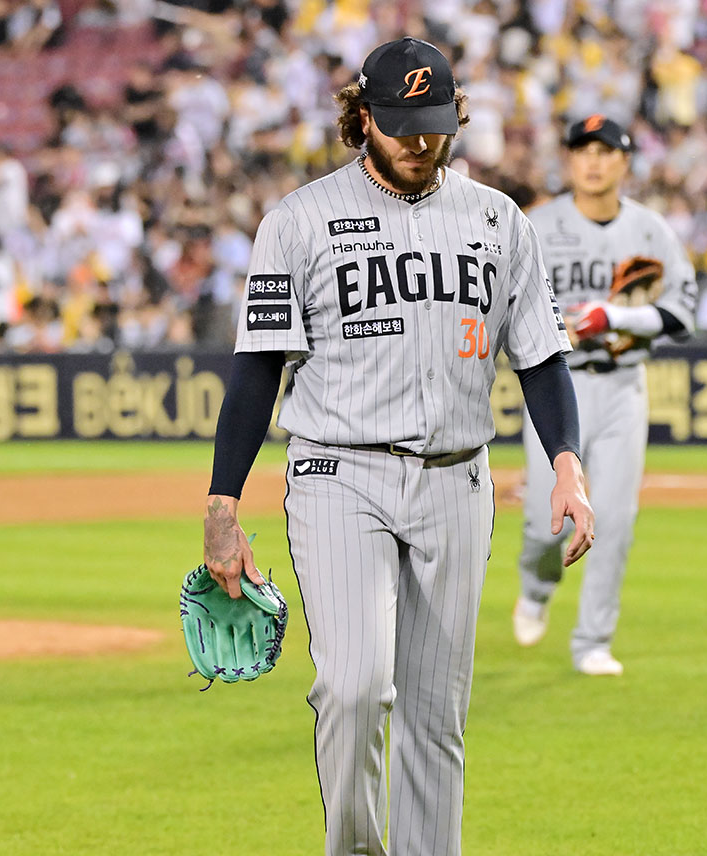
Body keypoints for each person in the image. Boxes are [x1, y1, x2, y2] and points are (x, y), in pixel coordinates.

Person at [202, 37, 595, 856]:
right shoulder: (299, 220)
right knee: (351, 690)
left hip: (459, 480)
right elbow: (256, 371)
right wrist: (222, 504)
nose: (418, 141)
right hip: (339, 474)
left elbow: (543, 357)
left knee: (435, 713)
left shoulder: (496, 219)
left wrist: (565, 463)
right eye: (399, 123)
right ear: (362, 118)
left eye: (434, 123)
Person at [512, 114, 696, 676]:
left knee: (615, 516)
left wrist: (613, 316)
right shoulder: (535, 225)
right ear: (568, 160)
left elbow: (682, 313)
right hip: (553, 382)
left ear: (625, 161)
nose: (592, 161)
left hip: (620, 384)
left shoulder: (650, 230)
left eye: (605, 151)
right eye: (582, 150)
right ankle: (538, 585)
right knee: (546, 519)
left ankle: (593, 639)